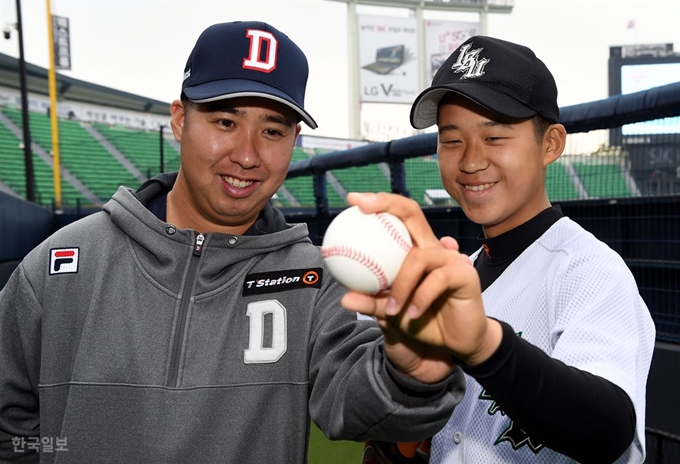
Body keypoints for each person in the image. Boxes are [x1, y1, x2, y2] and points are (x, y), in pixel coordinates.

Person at [0, 21, 466, 463]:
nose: (247, 155)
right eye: (225, 121)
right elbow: (10, 431)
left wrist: (414, 372)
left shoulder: (316, 278)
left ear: (294, 140)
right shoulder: (61, 264)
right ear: (180, 120)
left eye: (272, 131)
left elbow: (361, 406)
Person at [349, 36, 656, 463]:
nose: (471, 161)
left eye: (494, 137)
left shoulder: (589, 269)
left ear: (550, 144)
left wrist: (484, 346)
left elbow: (609, 430)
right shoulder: (463, 272)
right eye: (451, 140)